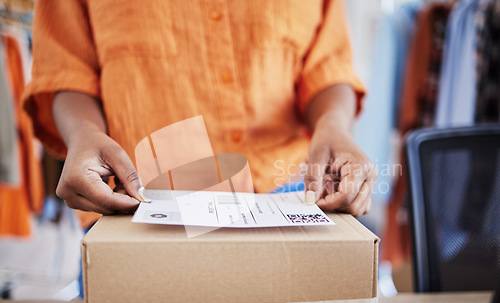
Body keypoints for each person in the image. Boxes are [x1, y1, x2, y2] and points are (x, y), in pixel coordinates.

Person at [23, 0, 376, 225]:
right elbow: (67, 71)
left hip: (288, 197)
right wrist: (83, 132)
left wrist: (333, 125)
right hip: (141, 209)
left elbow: (326, 66)